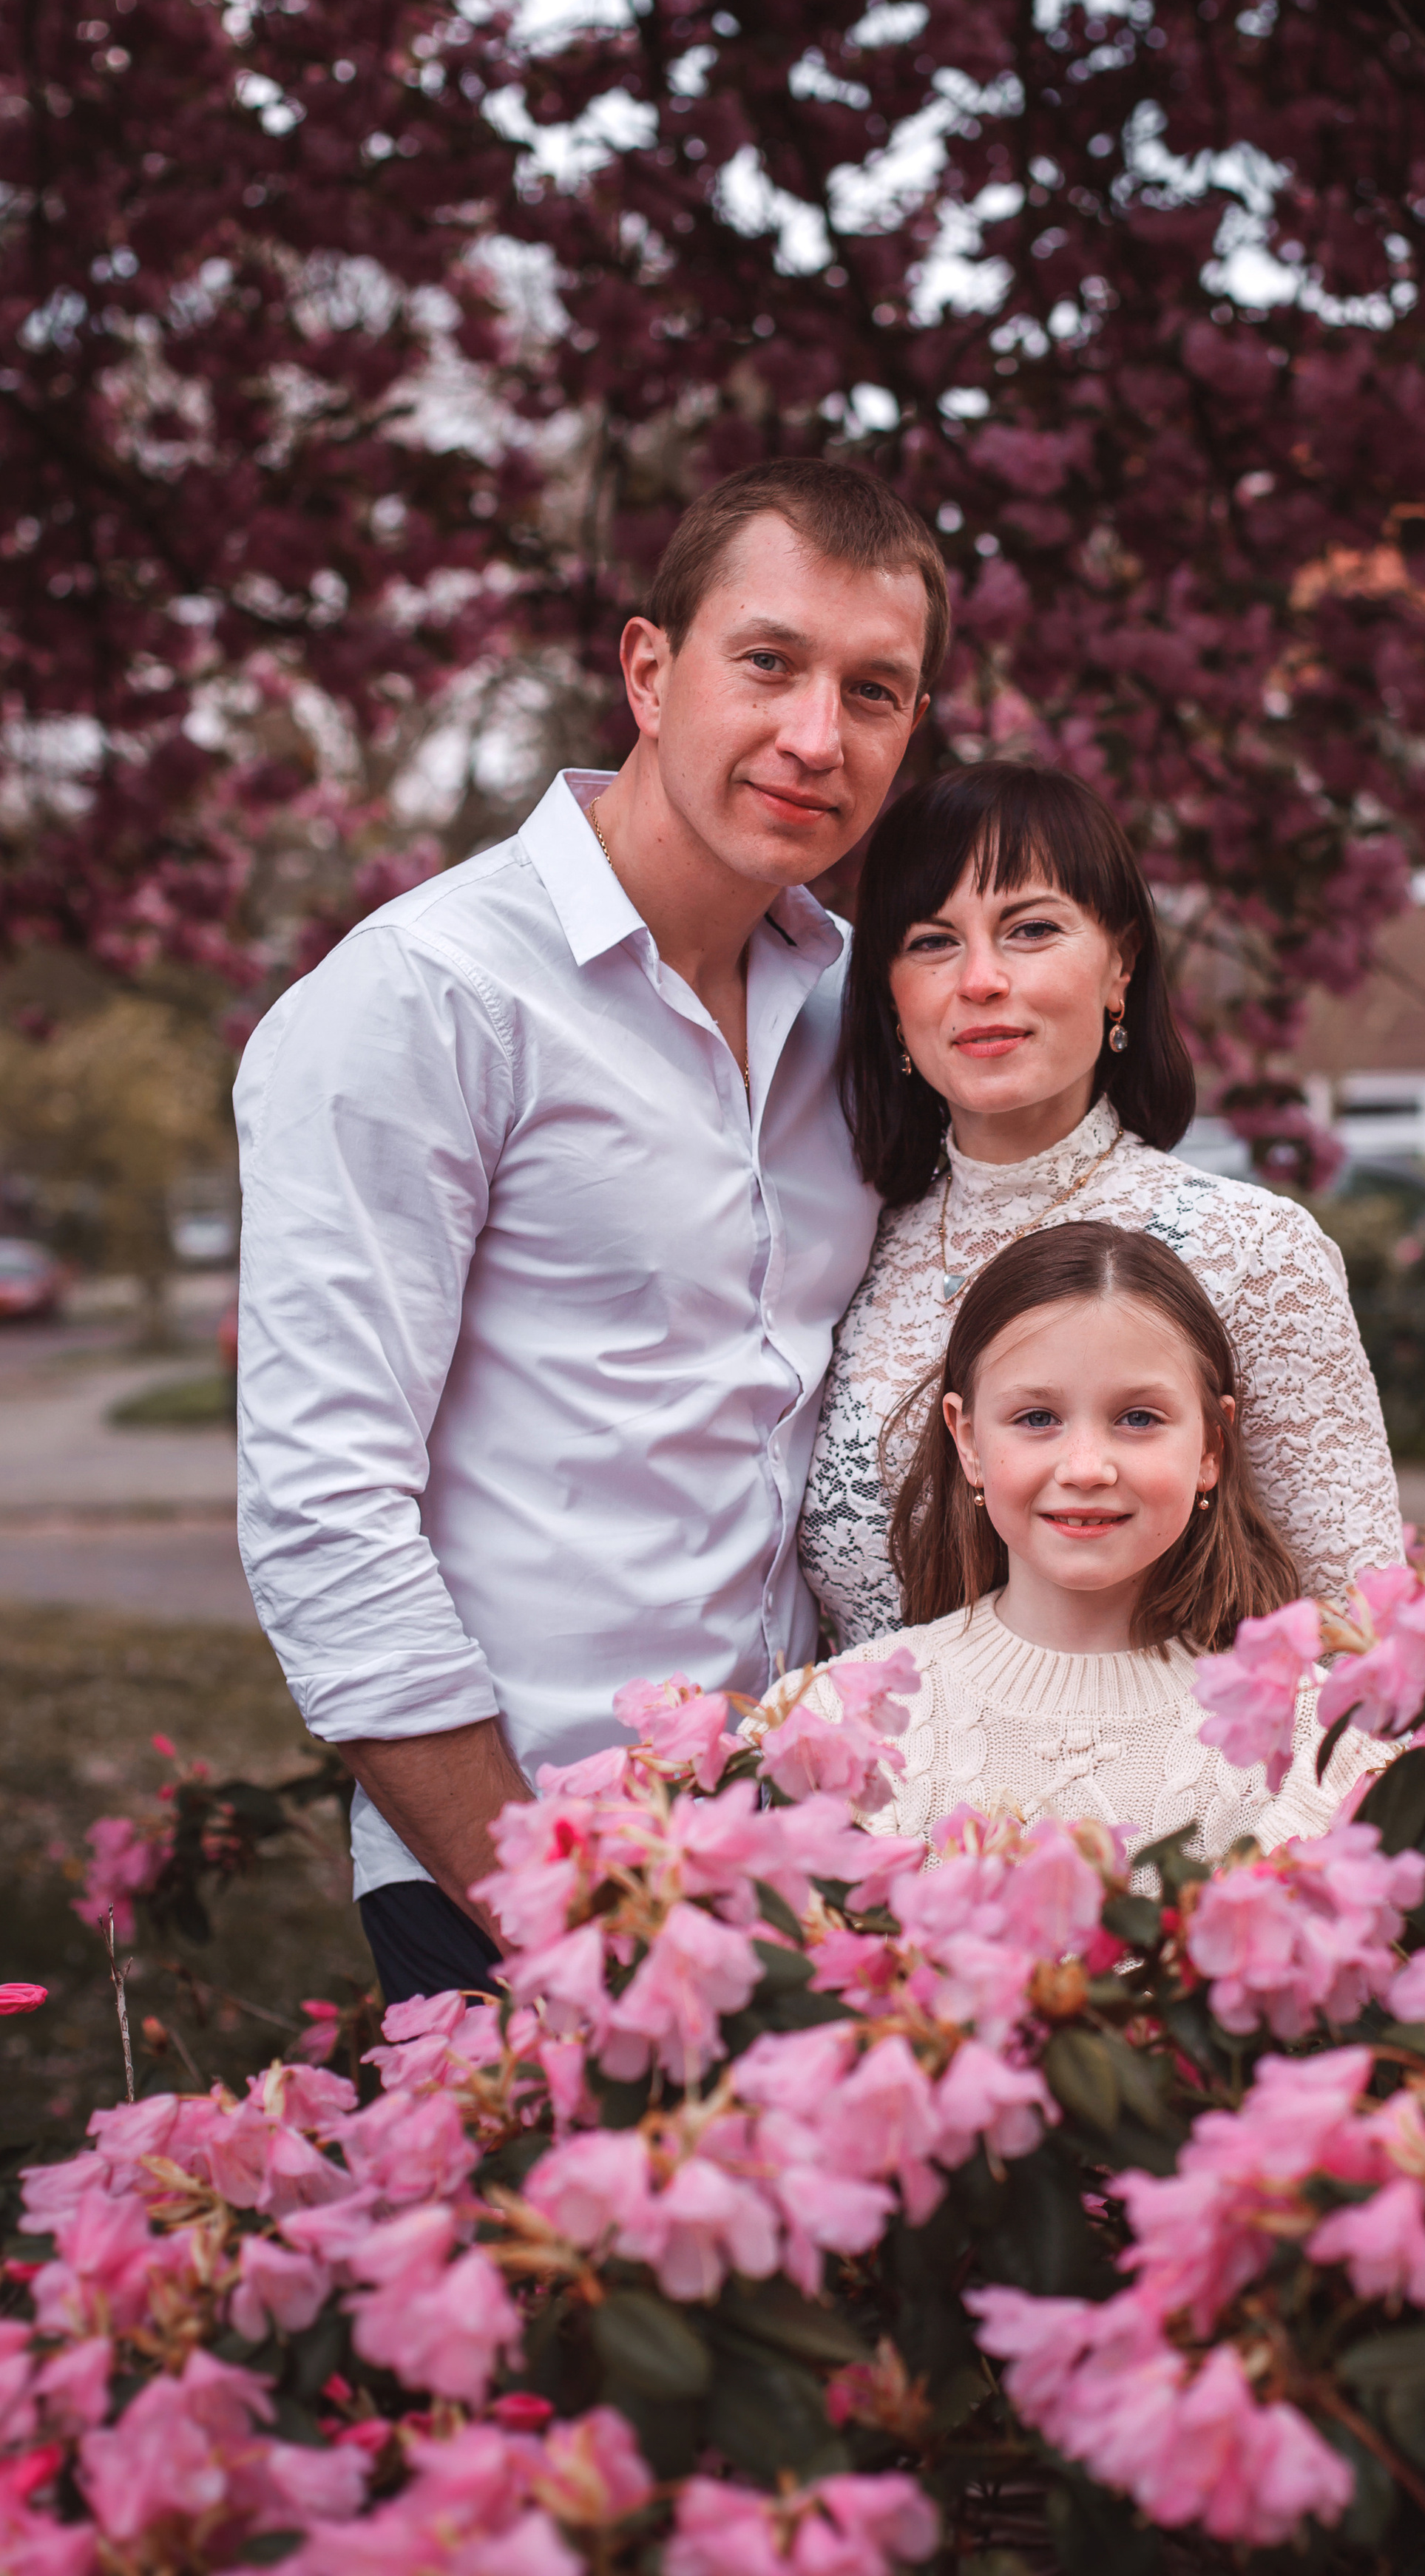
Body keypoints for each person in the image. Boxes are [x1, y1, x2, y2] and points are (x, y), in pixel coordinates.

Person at [234, 461, 945, 2002]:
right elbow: (323, 1510)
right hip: (505, 1870)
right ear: (647, 670)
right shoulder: (424, 997)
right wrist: (549, 1910)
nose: (816, 737)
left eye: (873, 692)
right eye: (769, 663)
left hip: (795, 1861)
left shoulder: (862, 1010)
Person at [799, 763, 1403, 1645]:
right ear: (890, 996)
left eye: (1031, 930)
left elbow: (1361, 1637)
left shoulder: (1253, 1254)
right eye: (932, 942)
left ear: (1120, 965)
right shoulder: (845, 1247)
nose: (980, 979)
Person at [762, 1221, 1384, 1849]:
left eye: (1138, 1418)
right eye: (1037, 1418)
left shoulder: (1320, 1749)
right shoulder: (833, 1727)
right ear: (969, 1443)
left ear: (1210, 1447)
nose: (1086, 1469)